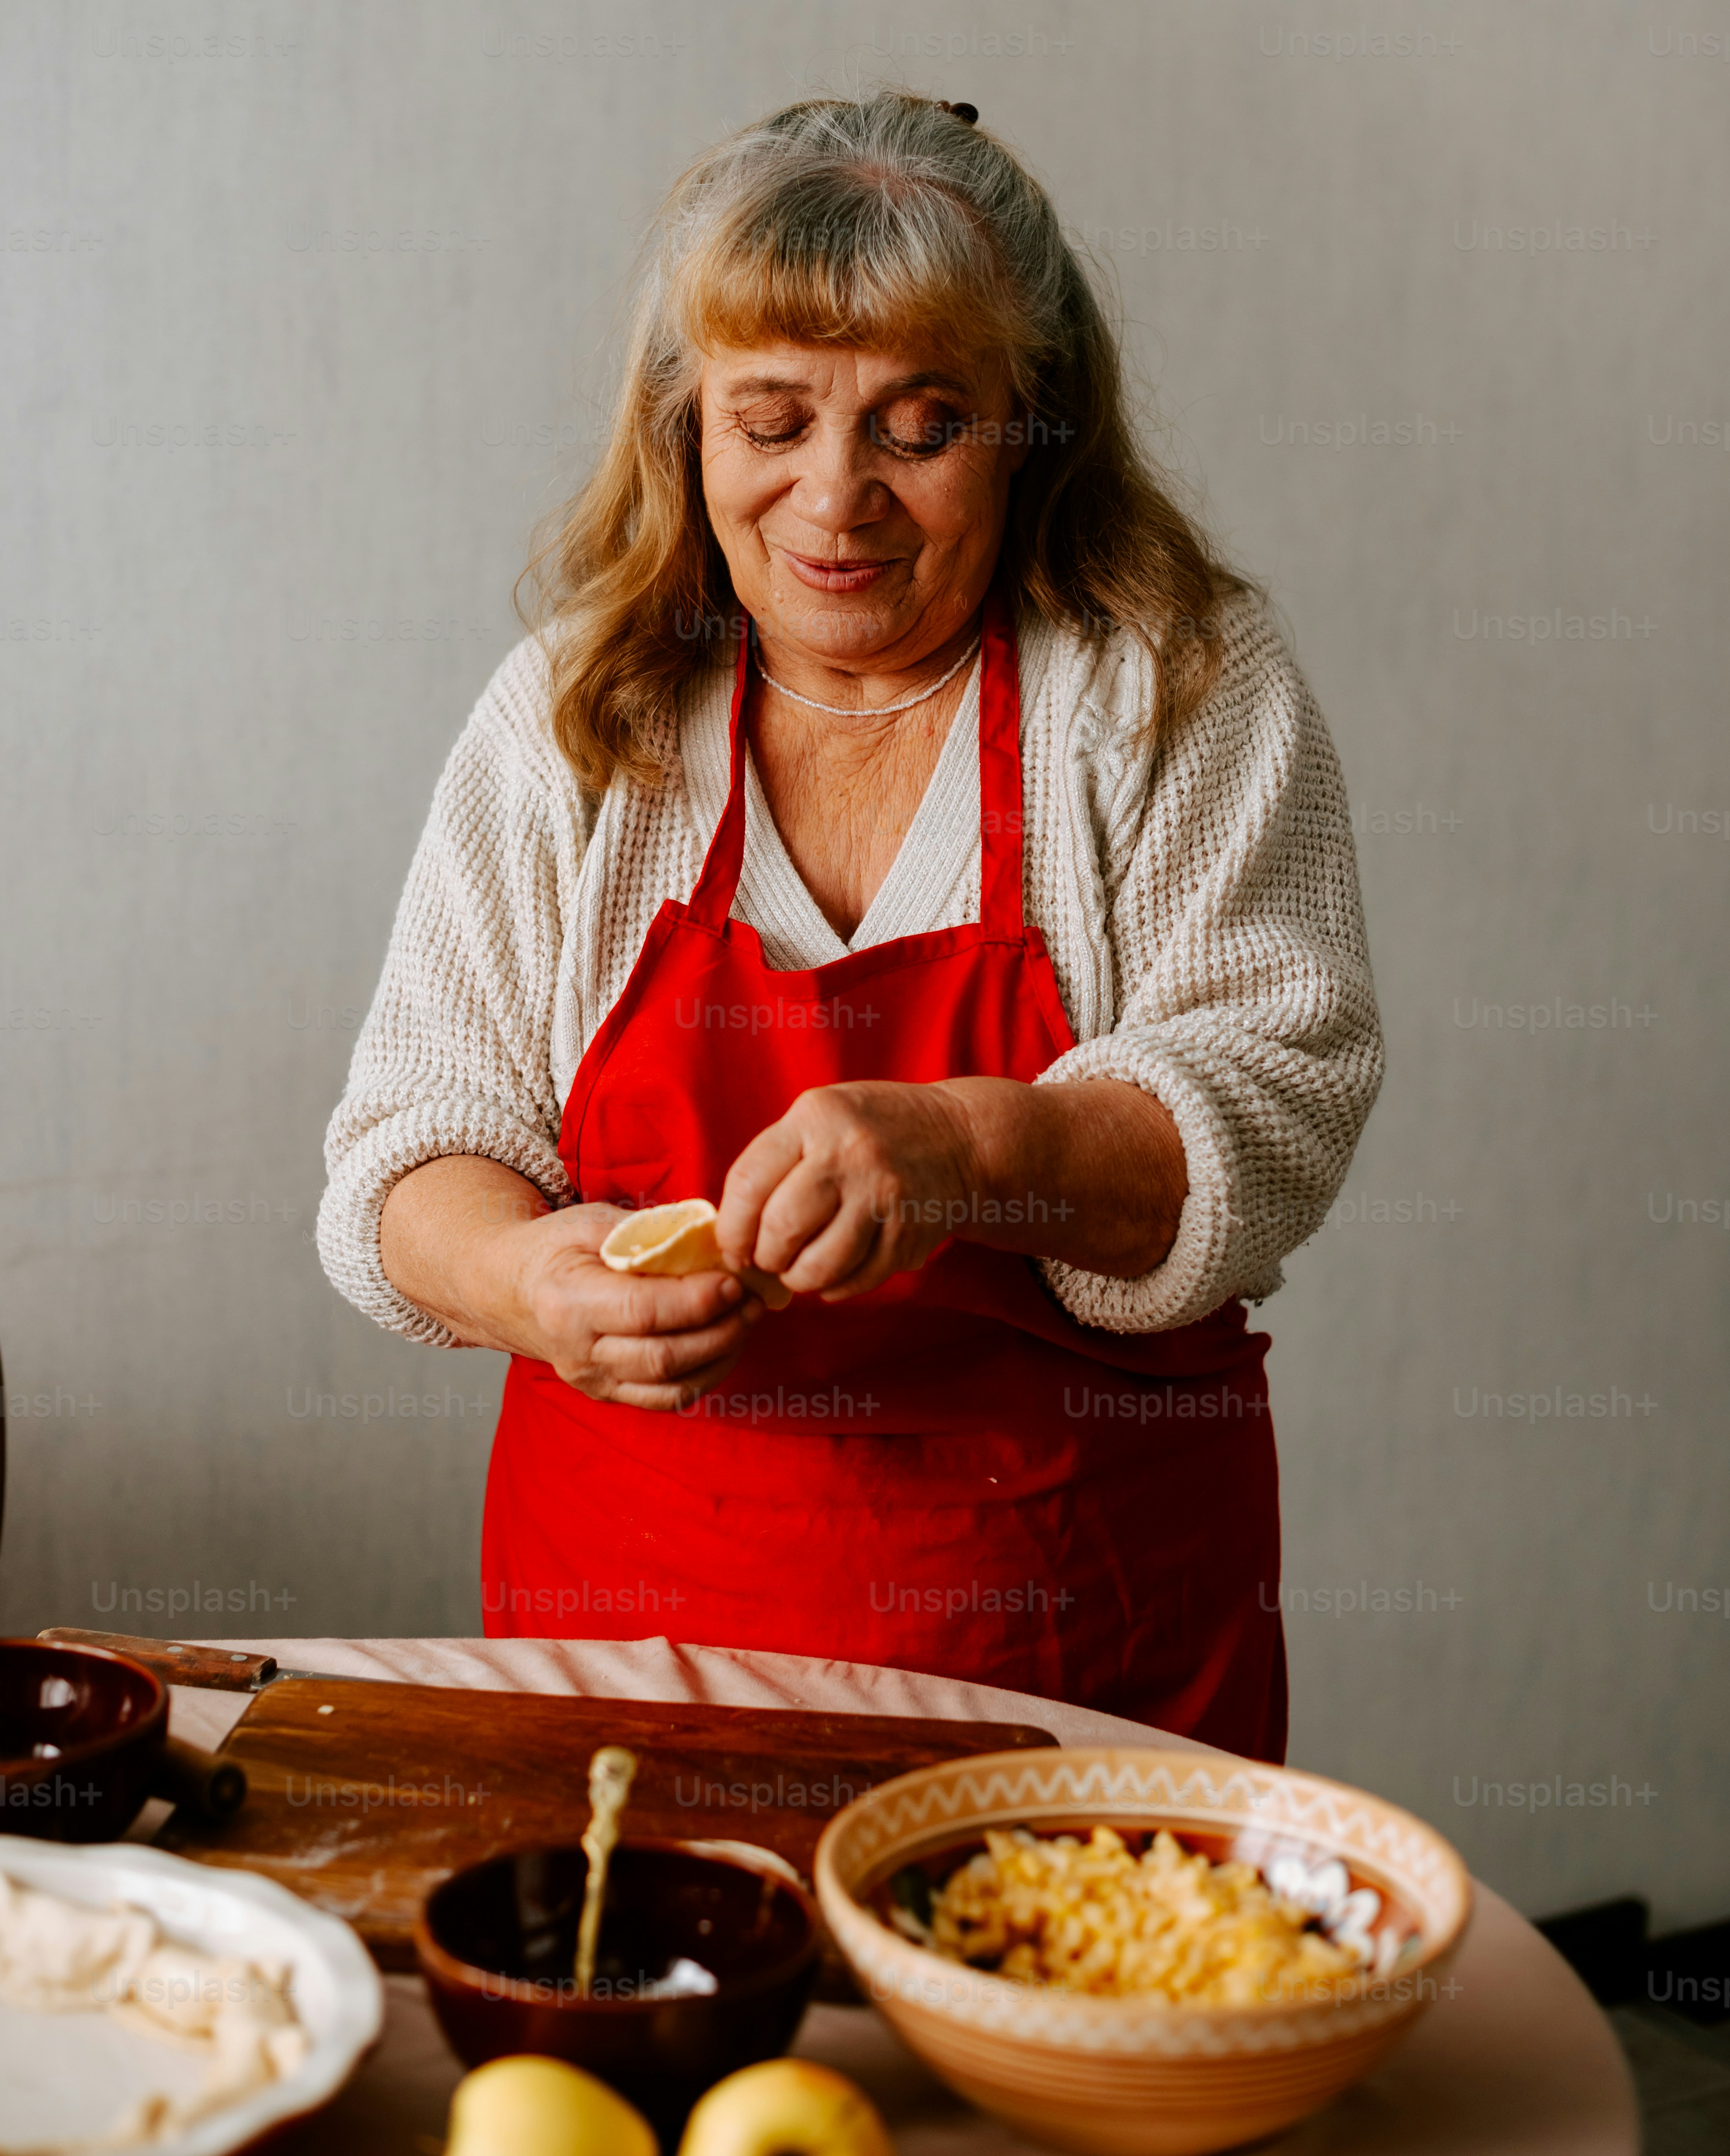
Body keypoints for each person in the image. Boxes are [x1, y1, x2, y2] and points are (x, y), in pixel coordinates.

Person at [317, 91, 1383, 1757]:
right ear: (686, 430)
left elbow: (1277, 1098)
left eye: (919, 422)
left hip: (1071, 1650)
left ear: (1033, 426)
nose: (836, 497)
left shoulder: (1170, 685)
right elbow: (410, 1149)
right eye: (771, 421)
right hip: (628, 1649)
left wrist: (963, 1144)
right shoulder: (579, 714)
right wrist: (526, 1272)